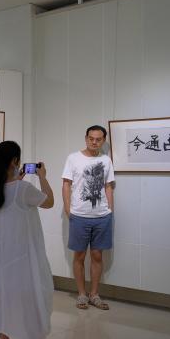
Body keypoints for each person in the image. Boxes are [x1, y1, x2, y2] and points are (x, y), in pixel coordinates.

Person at [0, 141, 58, 339]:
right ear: (15, 161)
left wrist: (17, 181)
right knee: (33, 297)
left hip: (1, 258)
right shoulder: (23, 189)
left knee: (3, 297)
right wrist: (43, 177)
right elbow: (49, 201)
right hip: (24, 257)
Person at [61, 125, 115, 311]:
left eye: (98, 139)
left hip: (102, 216)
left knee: (97, 255)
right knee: (79, 255)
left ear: (103, 141)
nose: (94, 142)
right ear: (86, 138)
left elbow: (108, 186)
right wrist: (68, 209)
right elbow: (66, 184)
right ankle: (82, 294)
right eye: (91, 138)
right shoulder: (73, 158)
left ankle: (94, 294)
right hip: (79, 215)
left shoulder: (106, 160)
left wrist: (110, 209)